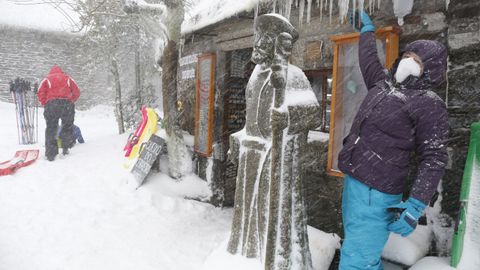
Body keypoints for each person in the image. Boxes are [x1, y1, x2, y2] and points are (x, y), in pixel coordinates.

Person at [338, 12, 449, 269]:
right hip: (355, 180)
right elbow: (368, 60)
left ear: (429, 70)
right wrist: (367, 30)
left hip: (376, 193)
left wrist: (416, 204)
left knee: (358, 260)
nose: (408, 62)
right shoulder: (384, 84)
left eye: (417, 61)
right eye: (407, 56)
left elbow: (434, 157)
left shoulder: (429, 104)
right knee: (358, 249)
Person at [227, 14, 320, 269]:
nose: (258, 43)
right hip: (251, 155)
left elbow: (314, 113)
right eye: (257, 38)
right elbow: (252, 119)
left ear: (279, 43)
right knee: (248, 212)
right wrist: (240, 136)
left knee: (271, 212)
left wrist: (289, 116)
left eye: (264, 39)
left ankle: (278, 258)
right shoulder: (255, 76)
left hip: (275, 159)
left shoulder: (293, 76)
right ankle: (247, 253)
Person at [37, 65, 80, 161]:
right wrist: (71, 100)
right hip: (66, 104)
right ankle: (65, 148)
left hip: (52, 104)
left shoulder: (46, 79)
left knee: (51, 128)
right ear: (61, 71)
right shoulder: (68, 79)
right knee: (67, 126)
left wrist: (46, 102)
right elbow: (77, 92)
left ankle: (51, 154)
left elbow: (40, 92)